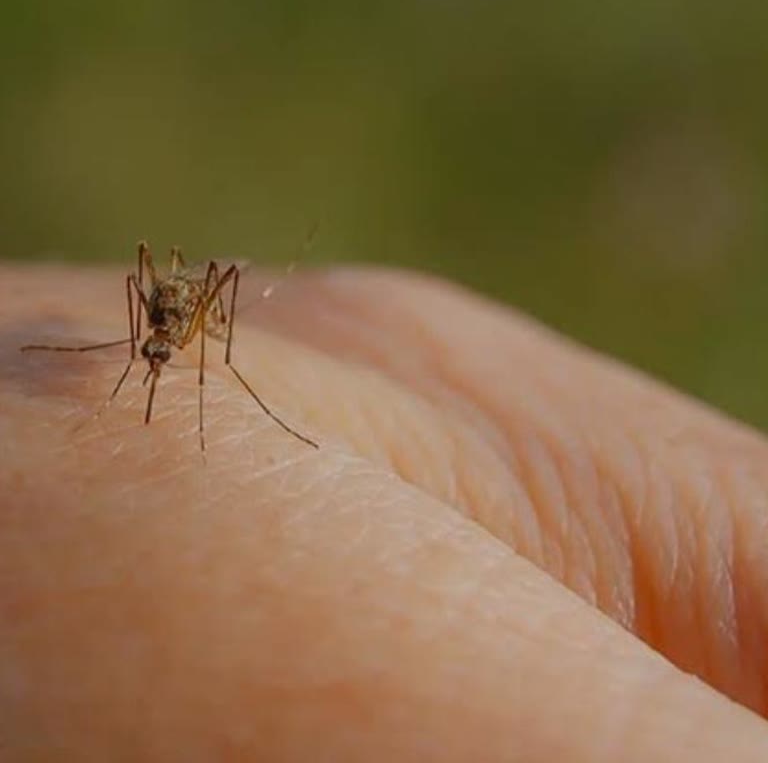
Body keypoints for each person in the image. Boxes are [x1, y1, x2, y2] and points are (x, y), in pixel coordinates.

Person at [1, 263, 767, 761]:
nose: (159, 365)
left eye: (158, 357)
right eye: (157, 357)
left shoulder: (189, 322)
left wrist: (217, 363)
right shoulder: (148, 328)